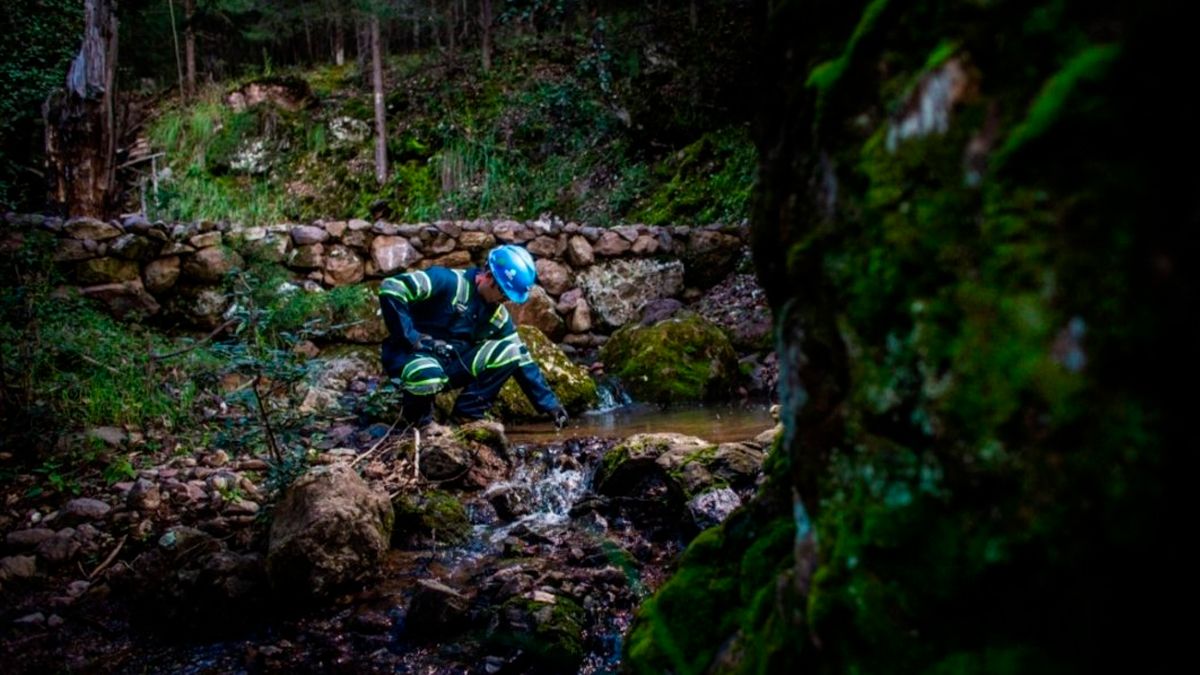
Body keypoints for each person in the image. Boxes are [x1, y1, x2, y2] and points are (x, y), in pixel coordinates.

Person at [378, 244, 570, 431]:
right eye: (503, 293)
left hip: (449, 364)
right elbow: (392, 287)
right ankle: (422, 424)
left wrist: (550, 405)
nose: (505, 300)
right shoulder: (447, 281)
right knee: (427, 373)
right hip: (411, 357)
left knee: (511, 351)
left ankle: (466, 416)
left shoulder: (497, 316)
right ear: (488, 277)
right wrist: (411, 337)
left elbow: (523, 360)